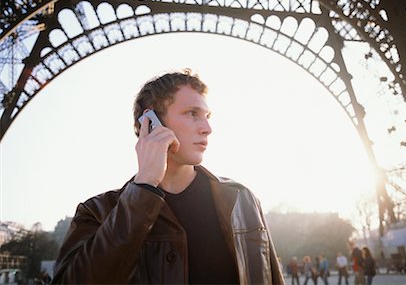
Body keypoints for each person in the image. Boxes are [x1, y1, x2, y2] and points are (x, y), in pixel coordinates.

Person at [52, 69, 285, 284]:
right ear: (151, 122)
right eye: (192, 114)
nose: (207, 128)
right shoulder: (97, 212)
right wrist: (144, 188)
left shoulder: (242, 199)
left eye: (207, 116)